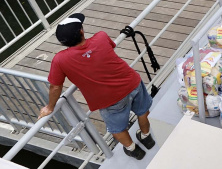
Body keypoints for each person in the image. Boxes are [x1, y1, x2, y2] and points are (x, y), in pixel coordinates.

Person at [40, 14, 155, 160]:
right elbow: (109, 47)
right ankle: (146, 137)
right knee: (142, 111)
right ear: (81, 31)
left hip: (110, 100)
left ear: (63, 43)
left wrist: (50, 107)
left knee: (118, 129)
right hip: (133, 83)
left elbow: (55, 87)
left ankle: (133, 149)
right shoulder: (101, 36)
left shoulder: (60, 60)